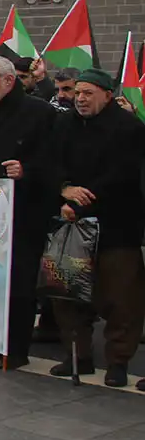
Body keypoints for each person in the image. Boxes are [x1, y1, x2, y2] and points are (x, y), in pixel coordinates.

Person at [50, 68, 145, 388]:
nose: (80, 99)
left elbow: (123, 175)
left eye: (88, 93)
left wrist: (80, 203)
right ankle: (77, 356)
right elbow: (49, 162)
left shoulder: (129, 128)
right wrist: (63, 189)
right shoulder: (63, 124)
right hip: (70, 227)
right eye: (77, 93)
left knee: (122, 299)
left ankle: (118, 361)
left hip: (116, 227)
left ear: (107, 94)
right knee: (69, 294)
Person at [0, 56, 58, 369]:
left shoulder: (39, 113)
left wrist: (27, 170)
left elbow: (55, 159)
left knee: (18, 283)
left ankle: (15, 348)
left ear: (9, 81)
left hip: (23, 212)